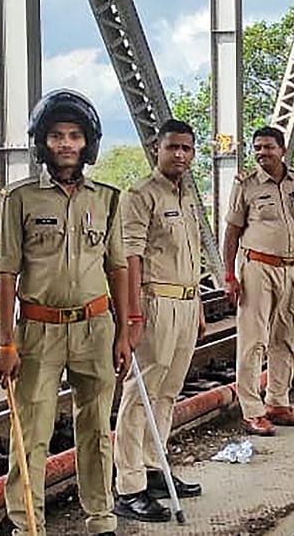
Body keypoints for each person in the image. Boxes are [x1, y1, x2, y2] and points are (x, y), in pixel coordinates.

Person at [0, 89, 132, 536]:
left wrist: (124, 332)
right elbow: (7, 272)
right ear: (42, 143)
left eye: (74, 135)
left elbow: (118, 266)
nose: (66, 144)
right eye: (56, 136)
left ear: (88, 142)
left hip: (95, 326)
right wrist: (5, 342)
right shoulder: (19, 200)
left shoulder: (108, 199)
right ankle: (28, 524)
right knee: (30, 432)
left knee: (96, 430)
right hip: (38, 330)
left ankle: (101, 517)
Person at [113, 119, 205, 521]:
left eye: (187, 148)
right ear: (157, 148)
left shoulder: (187, 196)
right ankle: (128, 486)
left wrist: (198, 303)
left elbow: (194, 255)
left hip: (185, 301)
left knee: (167, 392)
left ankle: (155, 468)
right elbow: (130, 258)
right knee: (140, 395)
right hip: (155, 303)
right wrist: (132, 314)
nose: (180, 155)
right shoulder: (140, 195)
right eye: (173, 148)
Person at [223, 126, 294, 436]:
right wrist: (229, 274)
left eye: (268, 147)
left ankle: (278, 401)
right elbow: (231, 232)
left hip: (293, 269)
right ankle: (252, 410)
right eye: (257, 148)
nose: (262, 153)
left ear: (282, 150)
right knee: (254, 340)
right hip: (258, 268)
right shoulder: (246, 185)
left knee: (286, 337)